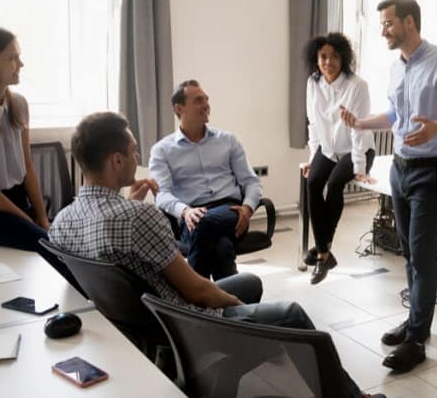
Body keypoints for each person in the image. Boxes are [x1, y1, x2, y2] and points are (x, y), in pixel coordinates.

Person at [49, 112, 384, 398]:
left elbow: (114, 257)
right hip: (186, 323)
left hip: (143, 322)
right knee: (291, 313)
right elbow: (197, 290)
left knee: (249, 281)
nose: (137, 158)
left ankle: (216, 367)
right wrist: (242, 313)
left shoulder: (63, 222)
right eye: (133, 150)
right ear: (117, 160)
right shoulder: (139, 218)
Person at [340, 0, 437, 373]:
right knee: (407, 251)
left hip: (432, 171)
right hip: (400, 169)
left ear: (409, 23)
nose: (383, 30)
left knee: (422, 255)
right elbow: (395, 115)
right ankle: (416, 322)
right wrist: (359, 123)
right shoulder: (396, 68)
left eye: (388, 23)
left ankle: (417, 338)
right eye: (382, 24)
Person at [0, 26, 80, 289]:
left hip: (16, 201)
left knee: (62, 243)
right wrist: (28, 222)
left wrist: (42, 217)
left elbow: (27, 166)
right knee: (56, 252)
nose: (20, 64)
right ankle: (92, 307)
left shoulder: (18, 105)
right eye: (11, 58)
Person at [149, 80, 261, 280]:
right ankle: (229, 304)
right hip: (190, 214)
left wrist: (248, 208)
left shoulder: (228, 140)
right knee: (222, 248)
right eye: (198, 100)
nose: (206, 104)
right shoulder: (162, 150)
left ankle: (192, 299)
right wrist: (185, 211)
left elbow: (251, 181)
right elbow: (162, 194)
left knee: (203, 225)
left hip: (231, 212)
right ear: (179, 108)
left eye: (206, 99)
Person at [301, 32, 376, 284]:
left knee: (334, 185)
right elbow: (313, 123)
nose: (328, 62)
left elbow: (359, 129)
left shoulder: (357, 85)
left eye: (334, 56)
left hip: (358, 148)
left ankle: (321, 254)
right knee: (312, 183)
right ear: (316, 58)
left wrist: (359, 166)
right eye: (323, 56)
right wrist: (313, 158)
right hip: (328, 149)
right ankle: (325, 252)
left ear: (343, 58)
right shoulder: (313, 83)